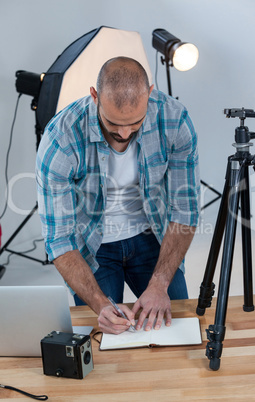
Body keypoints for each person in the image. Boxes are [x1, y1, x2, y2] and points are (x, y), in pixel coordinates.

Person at [36, 56, 200, 335]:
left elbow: (184, 210)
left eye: (135, 123)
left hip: (153, 236)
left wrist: (159, 284)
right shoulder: (60, 139)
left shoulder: (174, 120)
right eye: (113, 122)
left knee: (178, 330)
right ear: (94, 96)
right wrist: (100, 305)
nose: (124, 133)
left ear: (149, 94)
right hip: (92, 245)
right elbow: (59, 239)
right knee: (104, 338)